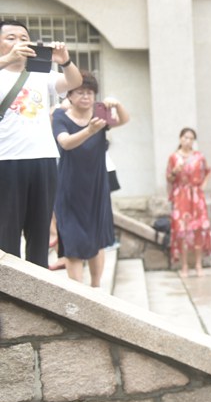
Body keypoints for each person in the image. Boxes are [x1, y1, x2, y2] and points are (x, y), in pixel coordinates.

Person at [0, 19, 82, 267]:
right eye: (11, 38)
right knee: (7, 231)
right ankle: (9, 293)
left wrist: (65, 60)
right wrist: (7, 59)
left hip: (43, 160)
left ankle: (38, 291)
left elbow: (74, 83)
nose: (19, 43)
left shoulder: (39, 72)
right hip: (6, 161)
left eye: (24, 38)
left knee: (39, 231)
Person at [51, 72, 130, 287]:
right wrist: (89, 130)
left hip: (96, 186)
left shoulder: (99, 113)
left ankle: (96, 289)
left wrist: (117, 105)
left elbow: (124, 120)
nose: (85, 97)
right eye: (80, 92)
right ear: (69, 95)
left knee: (97, 240)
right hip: (69, 188)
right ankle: (79, 294)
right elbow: (65, 143)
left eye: (90, 93)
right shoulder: (60, 116)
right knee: (72, 241)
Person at [167, 127, 211, 278]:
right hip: (181, 196)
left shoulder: (199, 156)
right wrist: (174, 171)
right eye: (185, 137)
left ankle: (198, 264)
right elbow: (169, 178)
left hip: (196, 196)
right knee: (182, 230)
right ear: (180, 138)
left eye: (191, 138)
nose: (188, 141)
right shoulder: (174, 157)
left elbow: (208, 171)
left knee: (198, 229)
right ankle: (184, 265)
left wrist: (203, 186)